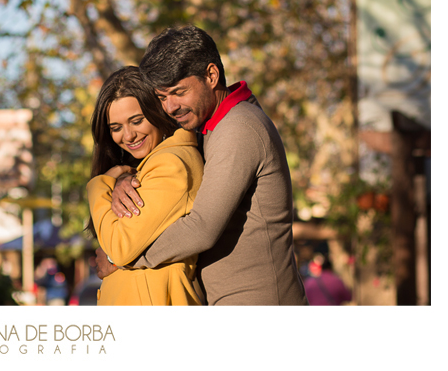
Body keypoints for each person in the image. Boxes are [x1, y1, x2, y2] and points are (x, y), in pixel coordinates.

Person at [97, 26, 308, 305]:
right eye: (161, 98)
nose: (170, 107)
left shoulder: (239, 127)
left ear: (211, 75)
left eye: (178, 92)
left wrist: (122, 256)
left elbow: (201, 228)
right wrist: (126, 176)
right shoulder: (211, 127)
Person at [86, 66, 204, 305]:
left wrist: (100, 186)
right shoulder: (148, 167)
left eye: (136, 121)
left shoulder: (171, 164)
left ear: (157, 111)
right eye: (116, 128)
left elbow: (120, 248)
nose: (128, 136)